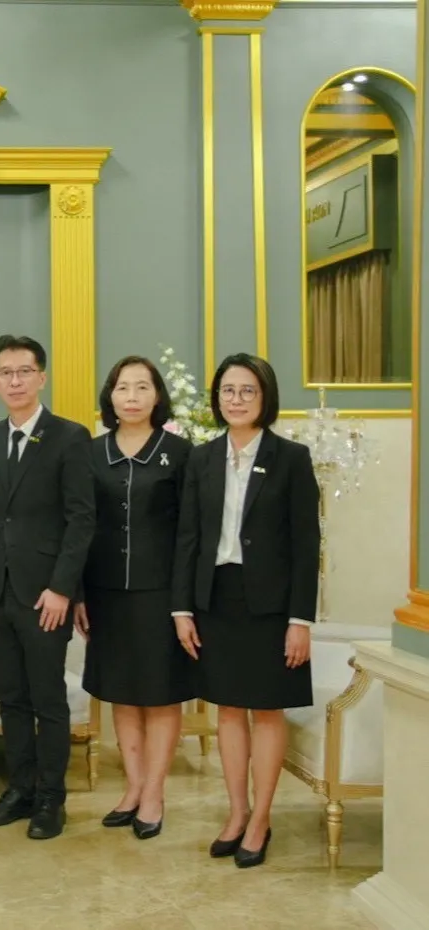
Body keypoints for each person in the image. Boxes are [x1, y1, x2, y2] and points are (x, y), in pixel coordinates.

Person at [172, 353, 318, 868]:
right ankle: (237, 813)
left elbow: (307, 545)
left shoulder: (291, 458)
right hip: (216, 599)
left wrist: (300, 621)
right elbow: (188, 537)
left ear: (265, 397)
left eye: (247, 391)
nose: (236, 400)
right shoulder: (202, 458)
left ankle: (262, 819)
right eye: (228, 391)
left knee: (267, 709)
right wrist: (181, 608)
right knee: (228, 709)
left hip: (272, 606)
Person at [0, 335, 95, 840]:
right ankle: (20, 789)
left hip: (46, 595)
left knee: (48, 699)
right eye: (5, 372)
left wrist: (63, 588)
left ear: (42, 377)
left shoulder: (70, 437)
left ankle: (51, 799)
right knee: (11, 698)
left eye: (24, 371)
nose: (15, 381)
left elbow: (81, 518)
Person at [74, 356, 193, 840]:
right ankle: (133, 787)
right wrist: (78, 592)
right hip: (106, 593)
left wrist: (184, 602)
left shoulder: (179, 453)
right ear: (110, 396)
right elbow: (79, 526)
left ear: (157, 395)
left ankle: (155, 794)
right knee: (121, 693)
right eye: (123, 387)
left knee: (160, 694)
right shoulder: (91, 452)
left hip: (161, 594)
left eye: (142, 387)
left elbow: (190, 534)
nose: (132, 396)